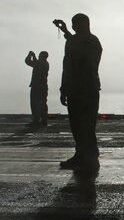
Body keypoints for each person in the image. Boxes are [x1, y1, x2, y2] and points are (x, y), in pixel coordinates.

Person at [54, 14, 103, 173]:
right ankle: (83, 156)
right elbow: (80, 47)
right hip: (89, 88)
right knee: (83, 125)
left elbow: (69, 66)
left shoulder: (77, 41)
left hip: (79, 89)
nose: (73, 27)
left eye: (74, 24)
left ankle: (89, 159)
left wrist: (64, 89)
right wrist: (66, 31)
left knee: (82, 125)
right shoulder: (93, 41)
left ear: (79, 25)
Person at [25, 51, 49, 127]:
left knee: (37, 103)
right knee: (39, 103)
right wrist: (31, 55)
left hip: (39, 87)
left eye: (40, 56)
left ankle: (38, 120)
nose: (38, 57)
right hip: (40, 86)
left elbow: (32, 63)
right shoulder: (42, 63)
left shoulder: (43, 64)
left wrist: (32, 55)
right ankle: (40, 120)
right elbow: (29, 62)